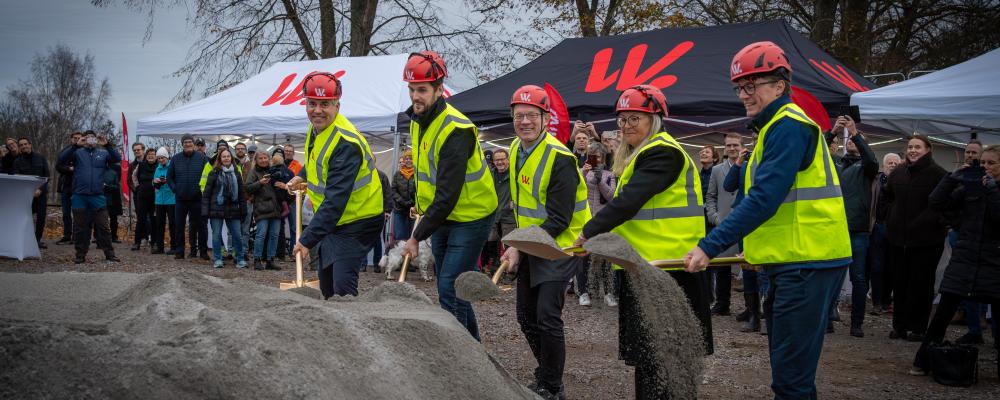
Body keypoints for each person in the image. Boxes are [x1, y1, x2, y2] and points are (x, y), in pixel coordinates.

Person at [685, 41, 851, 399]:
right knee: (788, 373)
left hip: (807, 261)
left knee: (791, 380)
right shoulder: (773, 128)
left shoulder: (788, 126)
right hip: (795, 260)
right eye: (739, 88)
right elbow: (759, 198)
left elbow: (765, 199)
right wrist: (753, 249)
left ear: (779, 85)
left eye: (751, 85)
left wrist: (710, 245)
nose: (744, 95)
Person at [573, 85, 711, 399]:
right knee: (650, 361)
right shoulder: (642, 154)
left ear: (655, 119)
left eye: (635, 118)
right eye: (622, 119)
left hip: (669, 270)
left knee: (664, 359)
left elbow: (628, 202)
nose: (626, 125)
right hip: (648, 267)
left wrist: (588, 233)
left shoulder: (662, 152)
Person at [499, 85, 590, 400]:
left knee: (547, 316)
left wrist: (517, 245)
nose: (524, 121)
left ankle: (552, 386)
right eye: (519, 116)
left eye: (531, 116)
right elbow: (521, 206)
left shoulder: (560, 158)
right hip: (532, 243)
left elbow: (559, 220)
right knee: (525, 316)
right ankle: (548, 372)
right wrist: (517, 243)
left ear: (545, 118)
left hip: (561, 245)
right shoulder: (514, 149)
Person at [400, 51, 497, 339]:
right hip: (444, 216)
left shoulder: (456, 129)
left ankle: (459, 353)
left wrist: (416, 236)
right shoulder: (419, 120)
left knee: (449, 287)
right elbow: (426, 173)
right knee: (455, 288)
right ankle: (474, 350)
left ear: (439, 89)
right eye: (412, 89)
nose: (415, 96)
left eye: (422, 90)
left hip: (472, 215)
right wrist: (420, 207)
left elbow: (447, 194)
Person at [287, 71, 384, 297]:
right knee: (327, 282)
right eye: (312, 104)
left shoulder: (344, 142)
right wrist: (302, 175)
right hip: (335, 220)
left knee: (342, 286)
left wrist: (306, 240)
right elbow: (317, 159)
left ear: (337, 106)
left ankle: (349, 316)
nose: (317, 110)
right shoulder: (317, 128)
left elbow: (335, 201)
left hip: (359, 219)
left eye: (325, 104)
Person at [910, 144, 1000, 376]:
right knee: (942, 313)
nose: (986, 167)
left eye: (992, 163)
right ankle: (922, 362)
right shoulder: (971, 187)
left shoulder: (991, 189)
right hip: (965, 259)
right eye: (983, 162)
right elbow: (936, 202)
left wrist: (992, 191)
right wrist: (951, 179)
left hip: (993, 263)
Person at [884, 135, 948, 342]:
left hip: (927, 240)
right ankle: (899, 326)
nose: (912, 150)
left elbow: (945, 204)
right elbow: (888, 196)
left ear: (928, 150)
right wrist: (891, 217)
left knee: (921, 284)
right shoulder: (898, 172)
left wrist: (930, 222)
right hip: (898, 239)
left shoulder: (938, 174)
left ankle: (918, 327)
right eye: (910, 147)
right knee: (899, 283)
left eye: (917, 147)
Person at [822, 116, 879, 337]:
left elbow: (872, 161)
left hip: (857, 230)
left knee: (859, 278)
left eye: (857, 139)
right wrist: (833, 131)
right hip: (834, 227)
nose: (852, 141)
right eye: (850, 139)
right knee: (830, 275)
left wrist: (855, 132)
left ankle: (857, 323)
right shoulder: (836, 162)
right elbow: (818, 152)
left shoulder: (866, 167)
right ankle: (827, 318)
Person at [57, 130, 121, 263]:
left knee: (104, 226)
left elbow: (117, 158)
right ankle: (80, 255)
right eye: (88, 138)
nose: (90, 140)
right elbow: (62, 158)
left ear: (96, 140)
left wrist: (107, 144)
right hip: (79, 196)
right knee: (80, 227)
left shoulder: (103, 153)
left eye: (93, 138)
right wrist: (76, 145)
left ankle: (110, 254)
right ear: (84, 139)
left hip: (98, 196)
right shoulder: (77, 153)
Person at [705, 133, 745, 322]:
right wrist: (714, 217)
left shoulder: (749, 166)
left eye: (735, 145)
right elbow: (710, 196)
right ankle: (722, 304)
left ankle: (751, 308)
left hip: (745, 222)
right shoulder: (717, 170)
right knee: (721, 266)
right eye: (728, 145)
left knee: (748, 265)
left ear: (742, 146)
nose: (732, 148)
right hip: (723, 223)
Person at [581, 142, 618, 307]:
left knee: (606, 258)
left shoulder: (610, 175)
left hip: (604, 221)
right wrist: (584, 174)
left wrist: (600, 180)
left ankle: (608, 293)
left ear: (604, 158)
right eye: (593, 156)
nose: (596, 160)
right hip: (586, 219)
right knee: (584, 257)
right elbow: (577, 191)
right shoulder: (583, 172)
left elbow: (612, 197)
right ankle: (584, 292)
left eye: (599, 157)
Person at [201, 148, 247, 268]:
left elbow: (242, 194)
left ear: (231, 158)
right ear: (220, 159)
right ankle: (217, 259)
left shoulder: (236, 173)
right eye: (223, 156)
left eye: (228, 156)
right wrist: (205, 211)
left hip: (233, 209)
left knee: (237, 234)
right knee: (216, 235)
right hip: (216, 209)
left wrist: (244, 210)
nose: (226, 158)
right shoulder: (214, 173)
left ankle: (240, 259)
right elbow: (206, 194)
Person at [868, 152, 902, 314]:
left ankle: (886, 301)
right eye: (890, 163)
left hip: (895, 229)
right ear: (883, 166)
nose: (893, 166)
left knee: (891, 266)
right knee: (876, 267)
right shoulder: (876, 181)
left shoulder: (903, 183)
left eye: (896, 163)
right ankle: (877, 302)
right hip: (878, 227)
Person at [167, 134, 210, 260]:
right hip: (181, 199)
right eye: (185, 142)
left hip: (198, 199)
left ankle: (203, 252)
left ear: (193, 144)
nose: (188, 144)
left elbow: (209, 176)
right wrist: (175, 189)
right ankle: (179, 252)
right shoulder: (175, 159)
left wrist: (203, 192)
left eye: (190, 142)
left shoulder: (202, 158)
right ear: (182, 144)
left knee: (201, 226)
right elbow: (169, 177)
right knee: (179, 226)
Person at [246, 151, 283, 270]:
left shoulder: (273, 171)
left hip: (275, 207)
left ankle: (270, 260)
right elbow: (248, 188)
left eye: (265, 158)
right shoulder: (253, 172)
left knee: (274, 235)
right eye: (260, 158)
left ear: (269, 159)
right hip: (262, 208)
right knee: (261, 235)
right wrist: (260, 183)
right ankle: (257, 259)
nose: (263, 160)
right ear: (256, 160)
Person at [482, 148, 515, 276]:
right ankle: (495, 268)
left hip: (509, 216)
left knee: (509, 245)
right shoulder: (490, 174)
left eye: (502, 159)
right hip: (494, 215)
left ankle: (510, 273)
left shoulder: (514, 174)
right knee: (491, 242)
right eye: (497, 160)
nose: (500, 162)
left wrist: (515, 202)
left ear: (508, 160)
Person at [13, 137, 50, 248]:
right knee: (25, 218)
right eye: (21, 145)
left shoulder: (41, 158)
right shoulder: (17, 162)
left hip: (40, 193)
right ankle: (24, 240)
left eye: (25, 144)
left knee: (41, 217)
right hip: (25, 195)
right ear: (19, 148)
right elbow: (17, 179)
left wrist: (40, 189)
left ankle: (37, 240)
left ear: (30, 145)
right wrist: (29, 191)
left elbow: (47, 176)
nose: (24, 146)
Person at [361, 166, 391, 273]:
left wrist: (387, 210)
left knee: (377, 239)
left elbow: (387, 194)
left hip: (378, 212)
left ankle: (377, 264)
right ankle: (362, 264)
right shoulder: (360, 174)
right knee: (363, 238)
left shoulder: (382, 176)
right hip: (363, 212)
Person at [55, 132, 83, 245]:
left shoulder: (84, 152)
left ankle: (76, 237)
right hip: (66, 185)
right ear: (71, 139)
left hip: (79, 187)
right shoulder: (66, 151)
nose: (77, 140)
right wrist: (69, 169)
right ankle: (67, 235)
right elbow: (58, 166)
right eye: (75, 138)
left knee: (78, 213)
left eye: (79, 138)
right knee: (66, 213)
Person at [130, 148, 159, 251]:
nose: (151, 156)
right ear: (146, 156)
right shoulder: (141, 165)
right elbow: (134, 176)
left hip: (155, 197)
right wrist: (137, 187)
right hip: (142, 197)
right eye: (149, 154)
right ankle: (137, 242)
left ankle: (154, 243)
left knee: (154, 220)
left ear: (156, 156)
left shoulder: (158, 166)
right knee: (141, 220)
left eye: (153, 154)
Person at [151, 147, 176, 255]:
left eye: (162, 158)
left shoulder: (172, 167)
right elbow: (154, 182)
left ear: (167, 157)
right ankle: (159, 247)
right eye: (159, 158)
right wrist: (155, 182)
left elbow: (175, 181)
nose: (161, 160)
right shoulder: (157, 168)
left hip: (171, 199)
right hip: (159, 200)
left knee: (172, 224)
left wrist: (167, 181)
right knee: (159, 224)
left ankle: (174, 246)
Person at [391, 149, 417, 241]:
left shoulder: (417, 174)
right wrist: (402, 201)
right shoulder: (397, 174)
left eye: (411, 158)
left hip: (414, 210)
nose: (408, 160)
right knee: (400, 237)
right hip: (400, 209)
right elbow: (393, 190)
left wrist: (412, 201)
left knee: (414, 236)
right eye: (407, 158)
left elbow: (420, 190)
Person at [102, 139, 124, 244]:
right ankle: (98, 236)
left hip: (113, 194)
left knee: (113, 217)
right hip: (101, 194)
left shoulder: (116, 167)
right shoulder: (100, 166)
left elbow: (117, 182)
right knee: (100, 216)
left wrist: (107, 186)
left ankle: (114, 236)